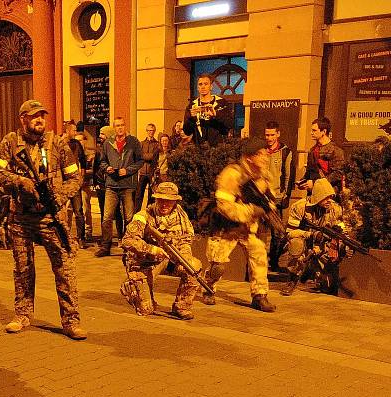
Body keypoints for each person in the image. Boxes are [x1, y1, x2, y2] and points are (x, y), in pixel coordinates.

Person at [0, 98, 86, 339]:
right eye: (34, 116)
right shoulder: (11, 142)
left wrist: (60, 196)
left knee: (64, 269)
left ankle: (71, 321)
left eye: (42, 115)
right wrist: (19, 182)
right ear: (23, 119)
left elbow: (76, 177)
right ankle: (22, 314)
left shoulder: (59, 144)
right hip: (20, 217)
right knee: (23, 268)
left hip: (51, 218)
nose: (40, 119)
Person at [201, 137, 277, 312]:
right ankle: (208, 289)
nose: (265, 157)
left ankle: (260, 295)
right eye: (260, 154)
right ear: (250, 157)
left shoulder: (262, 174)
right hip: (226, 227)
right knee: (217, 264)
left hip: (247, 228)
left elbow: (269, 196)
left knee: (259, 255)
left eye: (265, 154)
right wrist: (250, 211)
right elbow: (223, 204)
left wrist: (267, 207)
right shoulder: (232, 173)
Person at [120, 181, 200, 320]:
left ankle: (182, 306)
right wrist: (152, 249)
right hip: (144, 263)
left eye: (169, 201)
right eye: (161, 200)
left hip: (169, 260)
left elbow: (187, 239)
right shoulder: (143, 216)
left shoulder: (181, 216)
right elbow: (127, 241)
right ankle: (131, 286)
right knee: (146, 310)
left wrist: (184, 256)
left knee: (193, 267)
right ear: (156, 199)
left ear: (175, 201)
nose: (164, 204)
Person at [281, 179, 344, 296]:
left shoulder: (335, 209)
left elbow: (342, 231)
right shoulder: (299, 207)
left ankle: (313, 271)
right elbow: (290, 232)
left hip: (322, 246)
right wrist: (310, 234)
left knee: (328, 287)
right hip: (304, 243)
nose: (329, 200)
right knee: (296, 244)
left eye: (331, 197)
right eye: (325, 197)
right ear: (317, 197)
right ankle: (292, 278)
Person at [96, 116, 144, 257]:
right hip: (111, 184)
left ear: (125, 126)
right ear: (114, 128)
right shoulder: (108, 143)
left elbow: (140, 160)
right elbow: (102, 161)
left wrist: (127, 170)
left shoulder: (133, 142)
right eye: (117, 125)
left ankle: (128, 246)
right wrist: (107, 168)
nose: (120, 128)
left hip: (127, 184)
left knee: (129, 217)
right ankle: (105, 247)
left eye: (122, 125)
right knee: (107, 217)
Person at [265, 121, 296, 271]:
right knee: (261, 232)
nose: (269, 138)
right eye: (267, 135)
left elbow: (289, 175)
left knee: (278, 233)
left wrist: (286, 195)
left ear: (278, 134)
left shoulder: (285, 152)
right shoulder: (261, 151)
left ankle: (274, 261)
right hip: (263, 198)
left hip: (278, 197)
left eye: (272, 134)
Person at [300, 117, 345, 197]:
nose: (311, 133)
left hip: (329, 194)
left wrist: (315, 183)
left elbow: (338, 174)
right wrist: (303, 182)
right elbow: (309, 172)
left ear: (324, 131)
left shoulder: (335, 150)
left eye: (314, 130)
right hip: (313, 195)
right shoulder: (312, 150)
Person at [183, 73, 232, 147]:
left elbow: (230, 124)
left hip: (218, 149)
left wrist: (216, 115)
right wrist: (191, 118)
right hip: (199, 149)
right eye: (200, 84)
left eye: (206, 84)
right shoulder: (192, 106)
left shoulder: (221, 103)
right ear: (197, 87)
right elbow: (187, 131)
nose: (203, 87)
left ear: (211, 86)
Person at [64, 121, 88, 247]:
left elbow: (83, 161)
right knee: (63, 212)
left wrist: (81, 176)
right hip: (63, 183)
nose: (75, 132)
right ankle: (64, 237)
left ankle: (81, 238)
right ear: (67, 131)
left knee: (78, 211)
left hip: (75, 182)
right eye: (73, 130)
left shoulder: (77, 144)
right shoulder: (60, 144)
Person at [136, 124, 160, 211]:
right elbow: (139, 156)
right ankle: (136, 213)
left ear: (154, 131)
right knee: (139, 195)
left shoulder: (157, 144)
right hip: (142, 172)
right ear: (146, 131)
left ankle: (149, 213)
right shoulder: (141, 143)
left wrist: (145, 156)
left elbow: (154, 157)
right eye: (149, 130)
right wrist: (147, 156)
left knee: (151, 195)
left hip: (151, 173)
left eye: (152, 130)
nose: (151, 132)